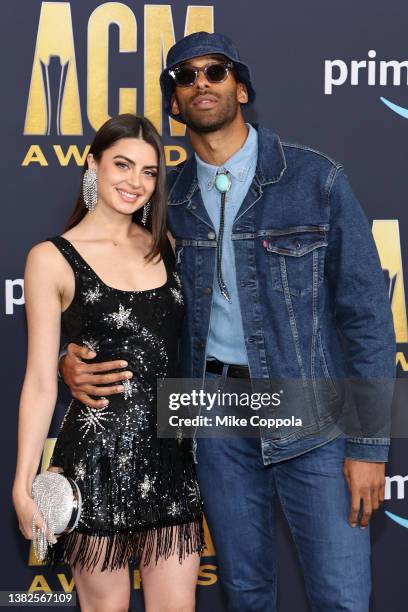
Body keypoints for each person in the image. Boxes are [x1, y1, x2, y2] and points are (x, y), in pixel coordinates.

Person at [59, 33, 396, 611]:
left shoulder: (315, 180)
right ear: (173, 103)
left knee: (341, 597)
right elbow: (122, 295)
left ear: (241, 88)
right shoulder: (169, 200)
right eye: (185, 77)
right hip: (212, 416)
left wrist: (369, 445)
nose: (201, 84)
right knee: (245, 593)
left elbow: (367, 320)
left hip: (313, 413)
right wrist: (75, 356)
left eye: (215, 72)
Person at [12, 114, 204, 612]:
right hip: (93, 464)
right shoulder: (51, 258)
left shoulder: (170, 247)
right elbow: (37, 382)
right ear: (91, 164)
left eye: (148, 172)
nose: (135, 183)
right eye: (121, 165)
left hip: (171, 462)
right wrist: (22, 482)